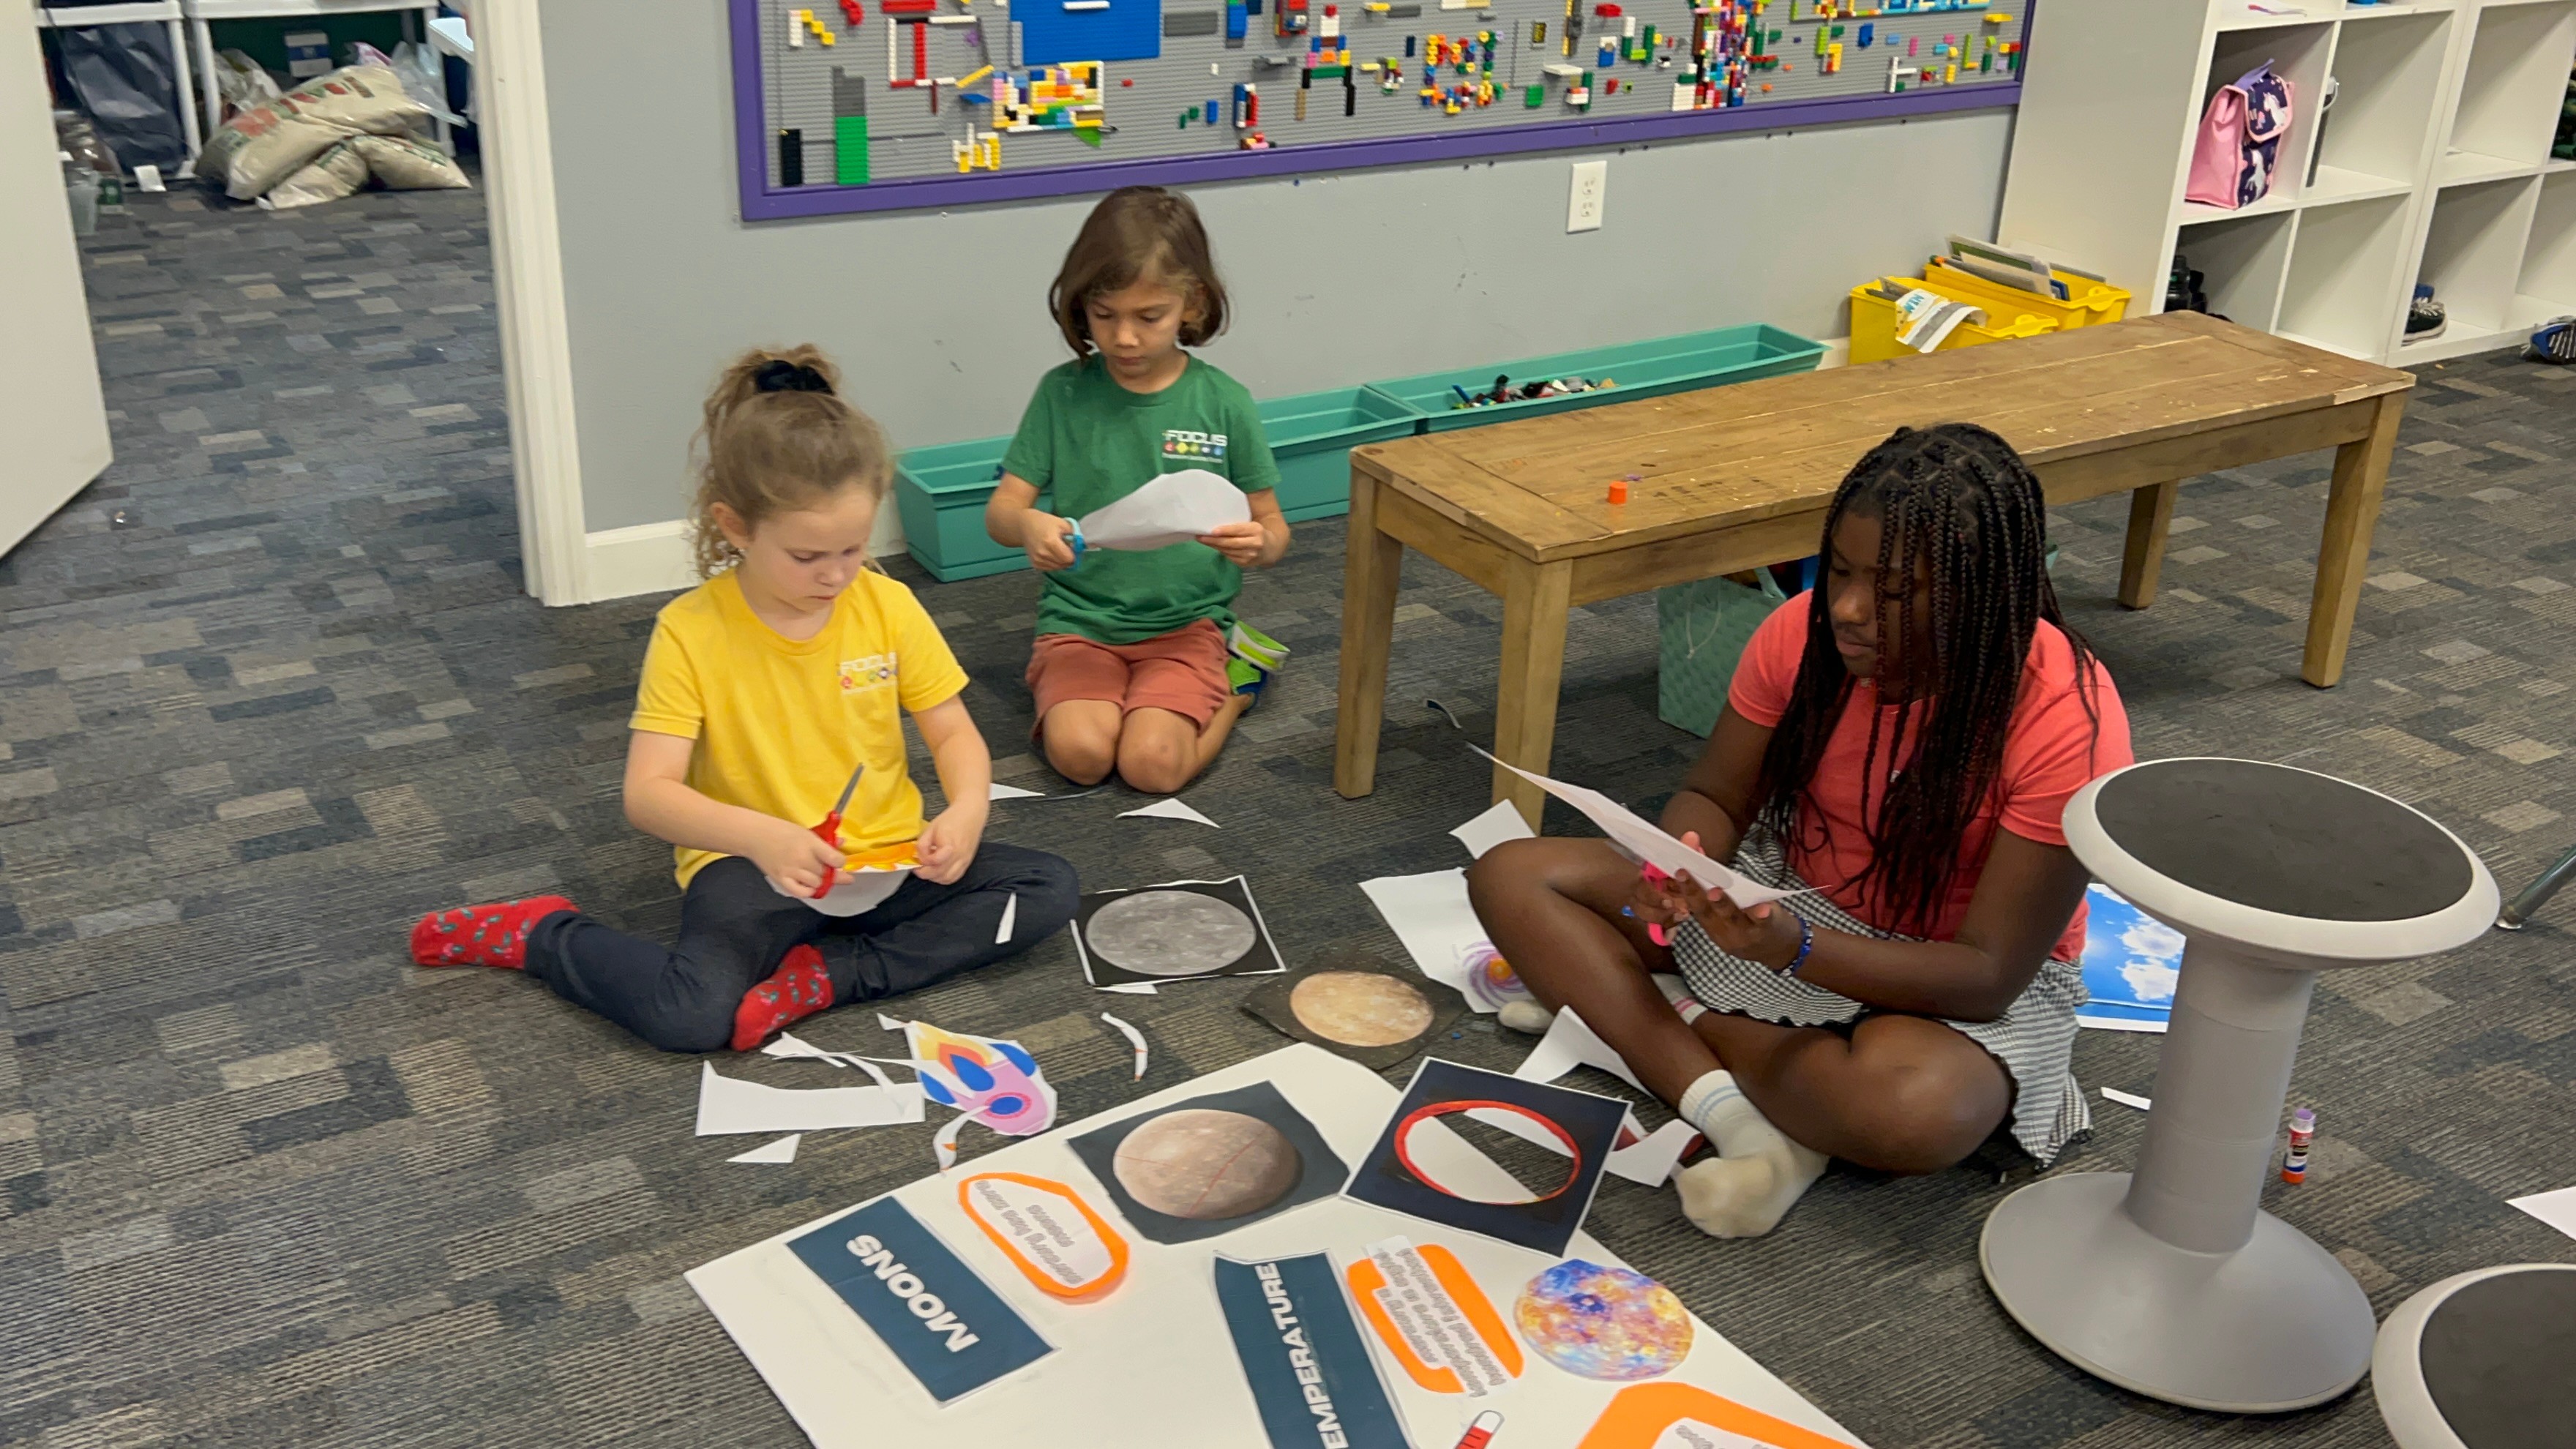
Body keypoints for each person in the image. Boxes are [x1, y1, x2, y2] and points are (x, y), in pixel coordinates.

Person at [1468, 424, 2132, 1239]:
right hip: (1792, 896)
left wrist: (1794, 951)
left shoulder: (2067, 718)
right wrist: (1682, 863)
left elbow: (1986, 976)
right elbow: (1714, 795)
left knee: (1911, 1114)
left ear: (1979, 594)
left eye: (1892, 591)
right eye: (1840, 571)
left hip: (1946, 970)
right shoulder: (1800, 633)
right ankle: (1739, 1119)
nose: (1846, 609)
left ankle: (1646, 1012)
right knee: (1513, 874)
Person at [406, 346, 1079, 1052]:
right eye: (807, 557)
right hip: (753, 866)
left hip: (884, 860)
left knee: (1049, 887)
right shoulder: (690, 631)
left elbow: (952, 734)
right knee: (690, 1017)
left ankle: (833, 976)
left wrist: (968, 811)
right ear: (735, 527)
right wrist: (763, 838)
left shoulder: (888, 605)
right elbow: (649, 795)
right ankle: (544, 934)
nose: (836, 576)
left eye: (853, 549)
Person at [984, 185, 1291, 794]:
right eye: (1105, 315)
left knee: (1152, 766)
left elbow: (1274, 526)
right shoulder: (1062, 393)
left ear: (1191, 305)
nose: (1124, 338)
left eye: (1149, 317)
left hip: (1187, 625)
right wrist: (1027, 525)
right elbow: (1002, 512)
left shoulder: (1223, 401)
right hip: (1080, 622)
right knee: (1081, 757)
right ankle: (1135, 695)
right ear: (1081, 306)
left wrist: (1260, 545)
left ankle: (1237, 687)